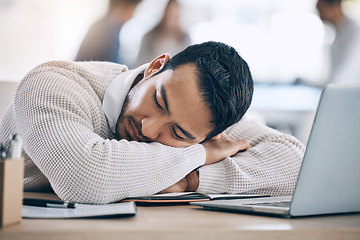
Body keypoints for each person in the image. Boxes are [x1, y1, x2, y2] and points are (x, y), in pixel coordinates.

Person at [0, 41, 305, 204]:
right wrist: (198, 154)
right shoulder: (51, 83)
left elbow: (296, 163)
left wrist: (190, 180)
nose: (148, 128)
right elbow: (84, 178)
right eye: (158, 101)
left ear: (213, 134)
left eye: (178, 133)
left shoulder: (204, 118)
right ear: (155, 68)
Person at [75, 0, 142, 63]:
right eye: (134, 9)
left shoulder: (107, 26)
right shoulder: (106, 30)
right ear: (122, 6)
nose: (133, 16)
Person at [316, 0, 360, 84]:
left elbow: (343, 77)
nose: (320, 16)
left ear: (335, 6)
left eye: (321, 10)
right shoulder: (338, 33)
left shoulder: (356, 33)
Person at [135, 0, 191, 66]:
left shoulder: (185, 37)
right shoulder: (150, 36)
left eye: (176, 16)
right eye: (170, 15)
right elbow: (139, 63)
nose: (173, 19)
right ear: (165, 14)